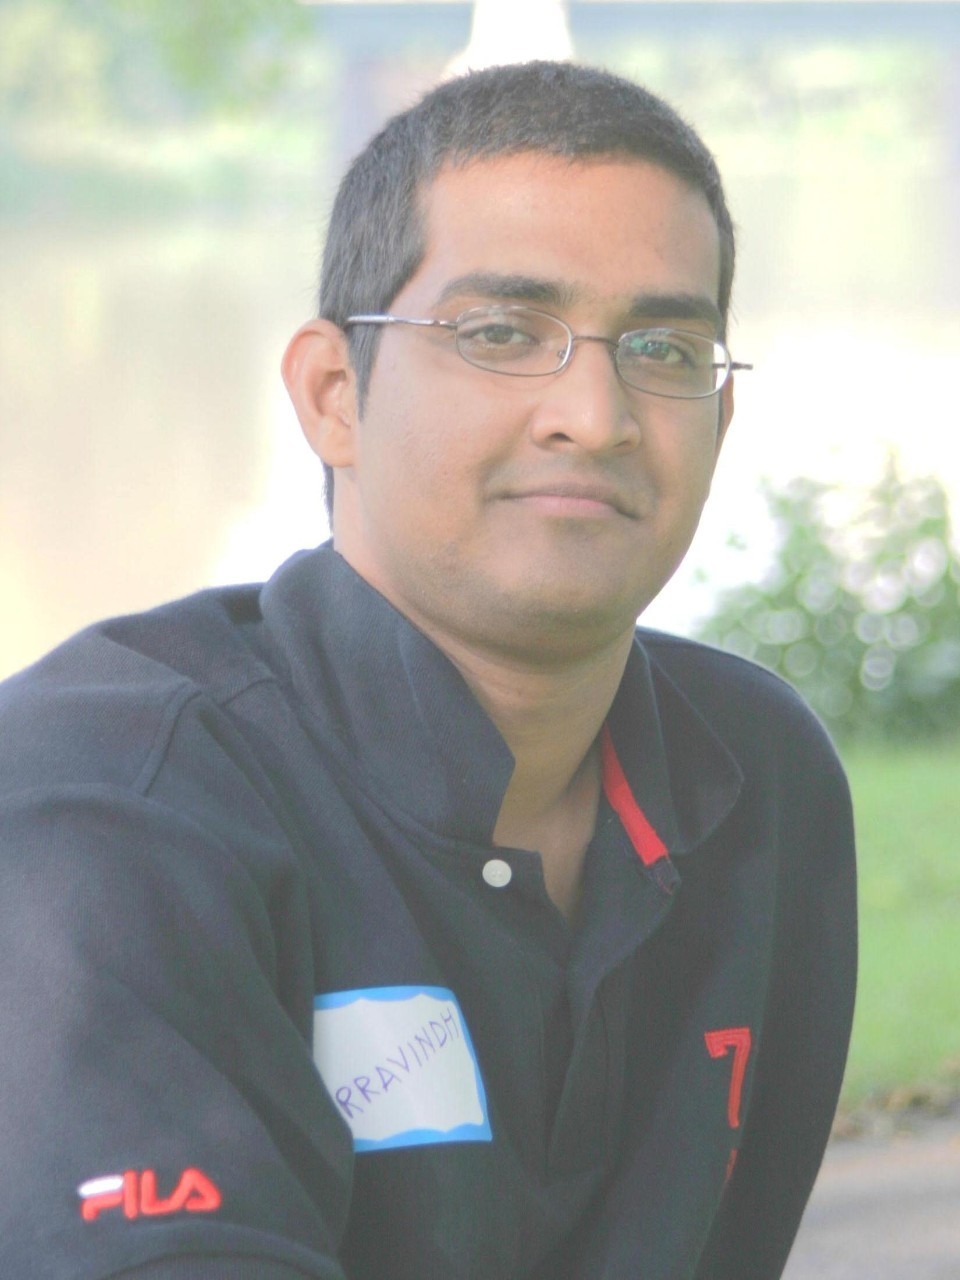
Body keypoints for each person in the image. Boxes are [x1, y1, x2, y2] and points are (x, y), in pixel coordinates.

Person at [0, 61, 856, 1280]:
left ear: (719, 420)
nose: (596, 414)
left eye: (664, 346)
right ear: (333, 394)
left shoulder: (758, 780)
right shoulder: (110, 799)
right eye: (502, 332)